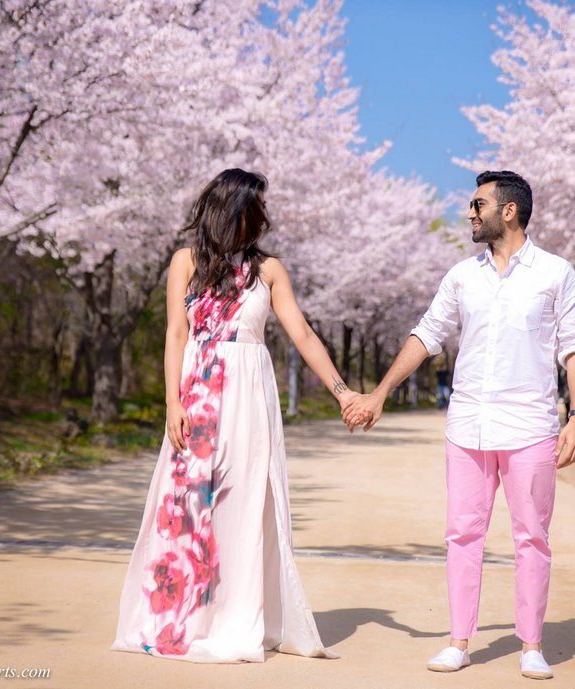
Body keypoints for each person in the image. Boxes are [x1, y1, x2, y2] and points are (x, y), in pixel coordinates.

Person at [343, 170, 575, 680]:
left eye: (478, 204)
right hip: (468, 426)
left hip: (530, 427)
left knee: (532, 538)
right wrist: (380, 391)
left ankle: (531, 645)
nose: (470, 213)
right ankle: (459, 641)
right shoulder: (462, 276)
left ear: (509, 210)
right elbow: (427, 333)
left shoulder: (556, 273)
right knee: (462, 534)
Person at [111, 169, 362, 663]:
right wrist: (172, 402)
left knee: (243, 501)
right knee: (188, 503)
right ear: (231, 211)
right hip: (198, 395)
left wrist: (342, 392)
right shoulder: (184, 262)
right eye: (254, 209)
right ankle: (183, 617)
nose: (261, 220)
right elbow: (176, 335)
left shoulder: (269, 270)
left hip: (249, 397)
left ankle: (235, 616)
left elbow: (304, 335)